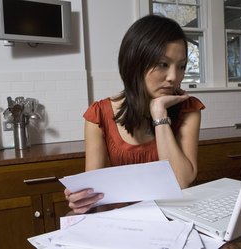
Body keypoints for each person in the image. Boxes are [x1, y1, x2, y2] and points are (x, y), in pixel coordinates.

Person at [65, 14, 205, 214]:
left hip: (174, 218)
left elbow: (181, 181)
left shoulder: (189, 109)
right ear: (134, 63)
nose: (174, 77)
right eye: (163, 64)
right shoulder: (99, 115)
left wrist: (159, 115)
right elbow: (95, 194)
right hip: (122, 221)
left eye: (181, 66)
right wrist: (82, 200)